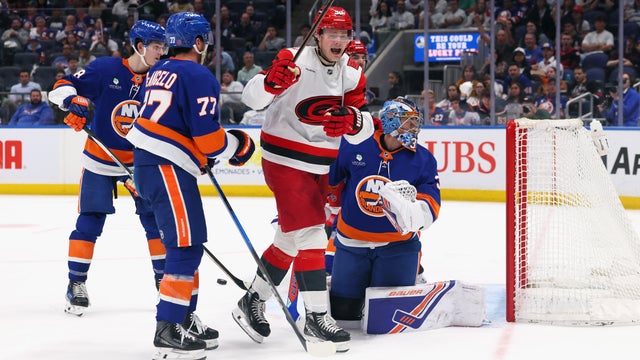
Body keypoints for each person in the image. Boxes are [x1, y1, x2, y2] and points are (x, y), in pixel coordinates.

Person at [237, 6, 374, 351]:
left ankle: (252, 299)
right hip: (283, 159)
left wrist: (354, 122)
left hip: (319, 166)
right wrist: (268, 83)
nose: (339, 41)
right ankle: (316, 319)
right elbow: (251, 99)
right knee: (313, 232)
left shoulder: (352, 74)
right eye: (333, 34)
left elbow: (362, 129)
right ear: (318, 35)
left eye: (344, 35)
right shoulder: (294, 60)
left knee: (289, 238)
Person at [126, 12, 255, 359]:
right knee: (186, 247)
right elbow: (209, 139)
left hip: (155, 162)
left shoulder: (157, 69)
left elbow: (175, 122)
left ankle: (183, 317)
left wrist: (199, 152)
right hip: (165, 165)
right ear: (199, 42)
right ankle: (168, 327)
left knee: (188, 244)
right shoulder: (198, 73)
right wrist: (238, 146)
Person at [47, 20, 168, 317]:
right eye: (156, 47)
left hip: (141, 162)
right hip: (100, 159)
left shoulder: (161, 77)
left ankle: (164, 280)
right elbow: (61, 85)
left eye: (164, 47)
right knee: (90, 221)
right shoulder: (105, 69)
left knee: (155, 224)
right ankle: (75, 283)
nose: (161, 53)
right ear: (140, 46)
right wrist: (72, 100)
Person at [328, 97, 440, 322]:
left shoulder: (423, 158)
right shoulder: (354, 144)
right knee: (343, 314)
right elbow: (329, 181)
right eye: (408, 122)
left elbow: (432, 201)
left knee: (387, 319)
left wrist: (416, 212)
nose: (414, 128)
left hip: (398, 247)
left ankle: (413, 272)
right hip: (352, 244)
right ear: (390, 121)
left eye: (414, 122)